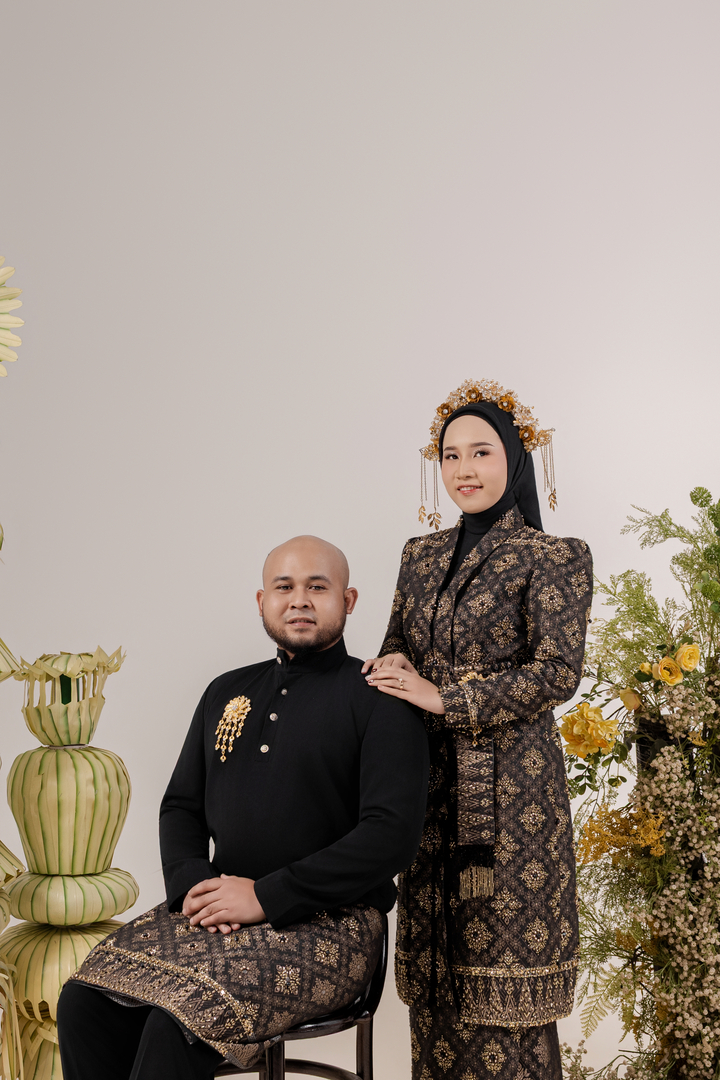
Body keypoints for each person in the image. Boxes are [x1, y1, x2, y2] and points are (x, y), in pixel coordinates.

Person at [57, 535, 429, 1080]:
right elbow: (180, 806)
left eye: (317, 587)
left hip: (335, 925)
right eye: (284, 587)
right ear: (261, 601)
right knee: (85, 1001)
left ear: (348, 601)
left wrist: (264, 896)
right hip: (218, 910)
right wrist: (194, 889)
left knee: (178, 1019)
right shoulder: (225, 692)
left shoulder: (381, 698)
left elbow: (391, 836)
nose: (299, 600)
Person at [362, 380, 593, 1080]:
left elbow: (556, 672)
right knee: (440, 977)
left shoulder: (555, 556)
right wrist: (393, 666)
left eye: (481, 452)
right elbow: (398, 646)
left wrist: (445, 697)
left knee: (506, 980)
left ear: (515, 458)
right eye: (451, 455)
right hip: (428, 790)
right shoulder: (420, 554)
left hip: (514, 800)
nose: (464, 469)